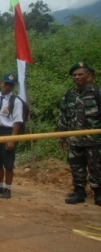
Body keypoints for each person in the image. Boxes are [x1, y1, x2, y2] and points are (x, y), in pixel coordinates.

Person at [58, 62, 101, 206]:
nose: (77, 77)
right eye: (74, 75)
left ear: (89, 76)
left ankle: (98, 193)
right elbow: (63, 115)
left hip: (94, 140)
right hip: (74, 140)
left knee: (97, 167)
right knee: (76, 167)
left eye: (80, 74)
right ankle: (79, 192)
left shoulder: (97, 93)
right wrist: (62, 136)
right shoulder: (69, 94)